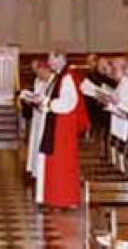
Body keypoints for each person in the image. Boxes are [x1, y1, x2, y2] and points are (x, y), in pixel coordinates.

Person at [37, 51, 89, 210]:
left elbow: (68, 104)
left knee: (62, 164)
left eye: (51, 60)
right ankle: (55, 198)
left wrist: (47, 103)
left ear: (61, 59)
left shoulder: (67, 78)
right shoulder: (59, 76)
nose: (49, 63)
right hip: (56, 125)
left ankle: (64, 199)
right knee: (55, 164)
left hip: (62, 128)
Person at [25, 61, 52, 177]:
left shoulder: (51, 83)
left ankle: (40, 171)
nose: (39, 75)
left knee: (40, 143)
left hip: (45, 117)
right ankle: (34, 170)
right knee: (35, 142)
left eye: (40, 73)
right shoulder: (39, 81)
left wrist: (38, 101)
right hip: (38, 117)